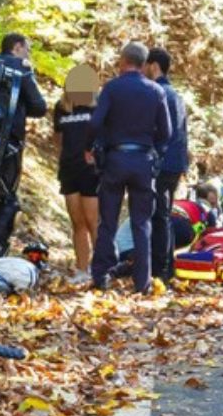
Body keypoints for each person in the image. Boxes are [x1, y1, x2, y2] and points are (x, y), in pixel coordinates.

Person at [86, 42, 171, 294]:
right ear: (144, 64)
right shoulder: (156, 91)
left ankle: (101, 276)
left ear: (122, 61)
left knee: (108, 221)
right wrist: (155, 153)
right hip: (143, 161)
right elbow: (166, 132)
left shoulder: (112, 88)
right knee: (141, 223)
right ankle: (142, 281)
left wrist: (91, 146)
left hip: (115, 159)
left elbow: (95, 122)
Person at [0, 32, 47, 258]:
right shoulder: (18, 67)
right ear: (17, 47)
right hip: (7, 139)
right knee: (4, 198)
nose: (28, 54)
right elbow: (39, 106)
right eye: (27, 49)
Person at [144, 47, 189, 282]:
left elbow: (155, 130)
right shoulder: (176, 94)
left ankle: (158, 269)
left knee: (157, 216)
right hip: (176, 162)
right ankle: (167, 267)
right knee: (164, 215)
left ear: (154, 66)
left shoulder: (157, 92)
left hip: (161, 162)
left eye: (145, 65)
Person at [53, 64, 100, 285]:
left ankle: (101, 268)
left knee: (93, 221)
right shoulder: (61, 108)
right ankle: (82, 269)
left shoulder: (97, 106)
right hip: (69, 169)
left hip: (91, 170)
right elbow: (58, 139)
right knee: (77, 221)